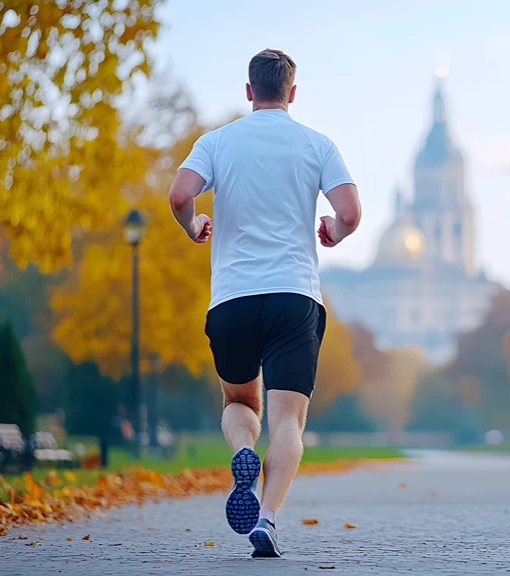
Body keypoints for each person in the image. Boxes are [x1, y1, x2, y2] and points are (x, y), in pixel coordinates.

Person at [167, 48, 361, 558]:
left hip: (232, 298)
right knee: (289, 421)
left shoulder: (216, 141)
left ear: (249, 91)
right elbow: (350, 212)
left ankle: (242, 451)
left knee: (239, 403)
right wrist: (335, 231)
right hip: (294, 297)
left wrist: (193, 225)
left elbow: (179, 196)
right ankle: (267, 521)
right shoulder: (317, 144)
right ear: (292, 93)